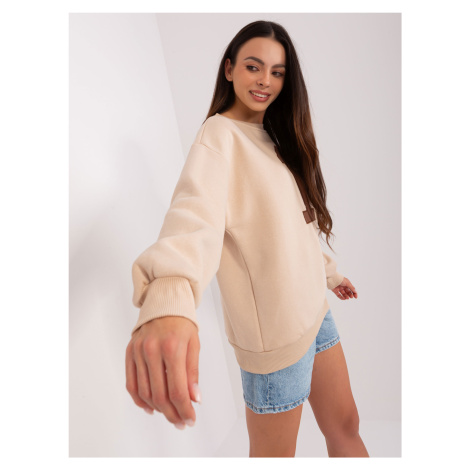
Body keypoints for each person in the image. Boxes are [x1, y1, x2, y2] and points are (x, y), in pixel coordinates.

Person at [125, 20, 369, 458]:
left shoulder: (273, 138)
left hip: (315, 313)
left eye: (277, 72)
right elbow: (193, 219)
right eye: (254, 67)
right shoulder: (218, 136)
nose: (265, 81)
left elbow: (291, 226)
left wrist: (329, 274)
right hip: (275, 339)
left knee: (347, 425)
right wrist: (169, 298)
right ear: (229, 69)